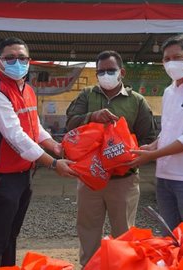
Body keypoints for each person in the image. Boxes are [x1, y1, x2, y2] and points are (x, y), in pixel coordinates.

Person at [0, 37, 78, 267]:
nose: (17, 62)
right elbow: (16, 136)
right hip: (1, 173)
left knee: (12, 231)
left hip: (23, 172)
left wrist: (54, 146)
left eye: (22, 57)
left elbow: (34, 126)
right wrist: (53, 163)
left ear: (29, 60)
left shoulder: (28, 89)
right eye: (10, 57)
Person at [66, 50, 156, 266]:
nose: (105, 75)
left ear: (122, 72)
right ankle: (89, 266)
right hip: (90, 180)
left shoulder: (136, 101)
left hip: (123, 181)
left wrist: (137, 156)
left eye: (110, 70)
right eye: (101, 71)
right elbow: (70, 124)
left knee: (124, 235)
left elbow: (149, 138)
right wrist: (92, 117)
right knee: (88, 232)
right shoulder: (87, 95)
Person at [128, 34, 183, 233]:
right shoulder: (169, 91)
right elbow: (169, 130)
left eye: (177, 57)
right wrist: (153, 146)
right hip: (165, 175)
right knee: (170, 234)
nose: (171, 63)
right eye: (167, 59)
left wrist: (152, 156)